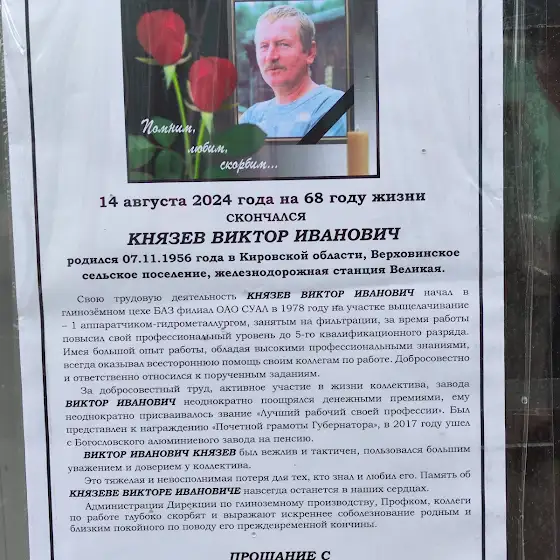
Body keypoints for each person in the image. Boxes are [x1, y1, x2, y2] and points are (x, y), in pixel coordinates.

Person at [239, 5, 347, 138]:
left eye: (283, 44)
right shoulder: (252, 116)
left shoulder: (332, 106)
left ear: (310, 52)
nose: (271, 56)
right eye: (264, 46)